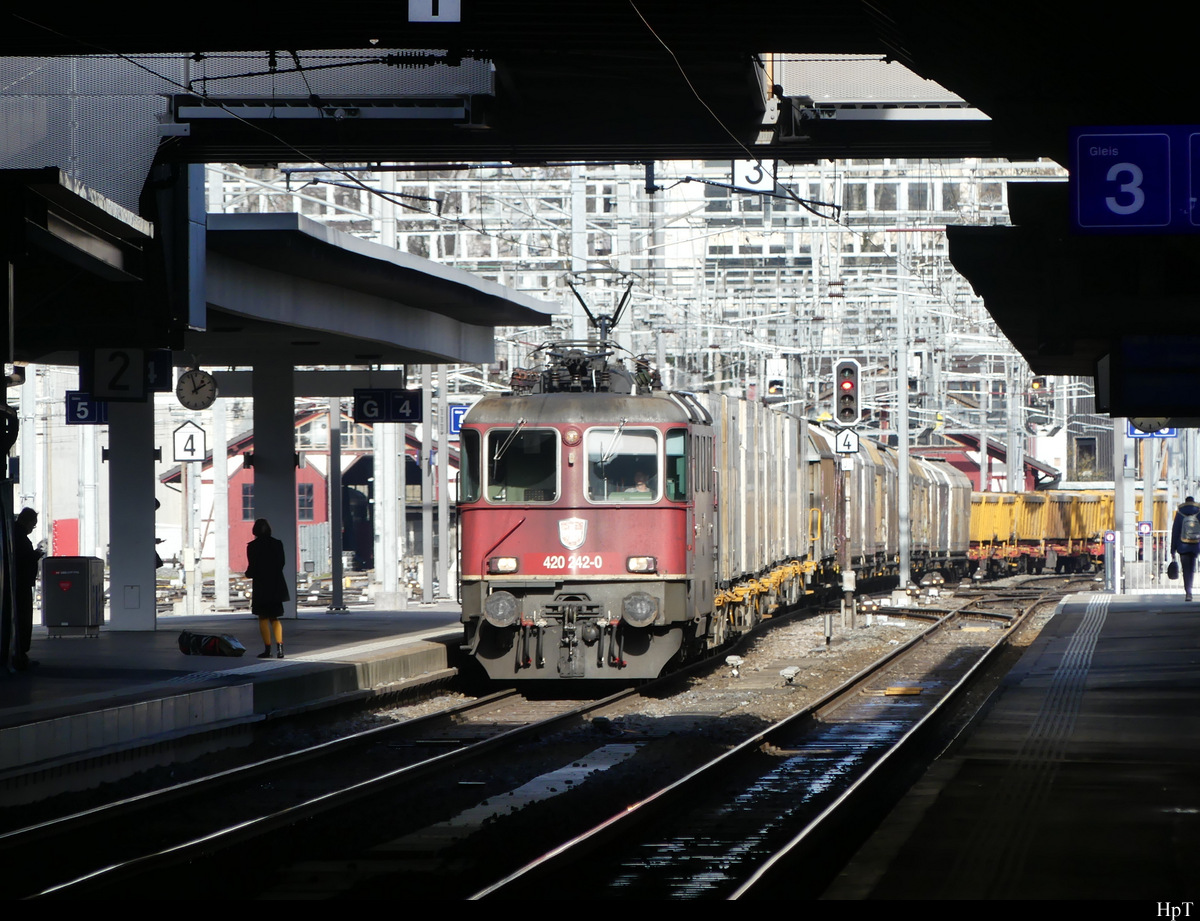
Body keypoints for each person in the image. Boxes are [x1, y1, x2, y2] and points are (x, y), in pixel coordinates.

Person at [246, 518, 288, 658]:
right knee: (274, 618)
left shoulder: (252, 546)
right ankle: (280, 649)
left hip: (261, 586)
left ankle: (267, 650)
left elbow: (251, 568)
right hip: (276, 585)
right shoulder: (277, 544)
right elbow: (281, 563)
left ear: (255, 530)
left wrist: (249, 574)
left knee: (263, 618)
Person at [13, 508, 43, 671]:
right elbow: (23, 561)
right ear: (27, 521)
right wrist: (36, 555)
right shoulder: (21, 539)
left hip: (18, 585)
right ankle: (21, 654)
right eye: (33, 524)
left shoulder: (12, 534)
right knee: (23, 620)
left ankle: (19, 653)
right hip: (21, 586)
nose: (33, 528)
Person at [1171, 496, 1200, 601]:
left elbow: (1175, 531)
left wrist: (1172, 549)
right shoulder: (1198, 512)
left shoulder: (1179, 513)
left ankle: (1188, 592)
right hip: (1196, 544)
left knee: (1185, 570)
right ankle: (1190, 589)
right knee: (1192, 569)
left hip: (1182, 545)